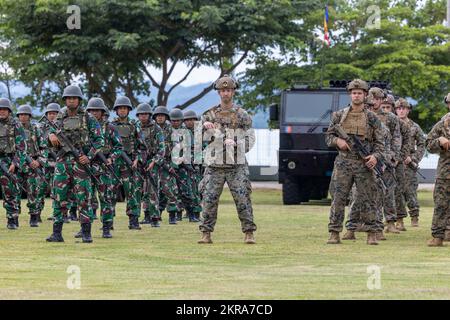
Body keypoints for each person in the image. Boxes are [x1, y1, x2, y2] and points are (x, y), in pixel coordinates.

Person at [198, 74, 256, 244]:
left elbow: (250, 139)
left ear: (233, 92)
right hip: (214, 165)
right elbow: (200, 139)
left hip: (236, 165)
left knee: (243, 198)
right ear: (218, 92)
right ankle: (206, 233)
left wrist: (236, 142)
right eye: (223, 90)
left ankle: (249, 232)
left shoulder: (242, 115)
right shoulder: (208, 115)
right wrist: (206, 130)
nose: (225, 93)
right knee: (209, 199)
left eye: (228, 90)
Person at [325, 79, 385, 245]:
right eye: (353, 93)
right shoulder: (339, 115)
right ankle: (334, 232)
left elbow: (381, 143)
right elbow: (328, 136)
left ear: (365, 95)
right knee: (338, 198)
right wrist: (338, 142)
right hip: (343, 163)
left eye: (359, 93)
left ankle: (371, 232)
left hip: (364, 164)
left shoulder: (372, 118)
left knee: (369, 198)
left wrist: (375, 157)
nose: (356, 95)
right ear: (350, 94)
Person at [46, 85, 104, 243]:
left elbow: (100, 141)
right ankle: (57, 233)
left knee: (83, 197)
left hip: (80, 163)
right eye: (68, 98)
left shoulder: (88, 118)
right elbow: (48, 137)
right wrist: (50, 136)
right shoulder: (59, 117)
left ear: (79, 100)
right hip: (62, 162)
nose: (71, 100)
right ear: (65, 100)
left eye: (74, 98)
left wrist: (89, 156)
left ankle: (86, 233)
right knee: (59, 196)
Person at [111, 96, 144, 230]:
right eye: (120, 108)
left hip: (129, 163)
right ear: (116, 110)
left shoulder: (134, 125)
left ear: (129, 110)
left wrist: (137, 159)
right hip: (114, 163)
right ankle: (108, 222)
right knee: (110, 191)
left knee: (132, 191)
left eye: (125, 108)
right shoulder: (111, 125)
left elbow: (142, 146)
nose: (122, 111)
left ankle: (134, 220)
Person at [16, 105, 48, 227]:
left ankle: (34, 217)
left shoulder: (36, 129)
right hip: (18, 164)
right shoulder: (14, 129)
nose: (23, 117)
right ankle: (14, 217)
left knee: (33, 190)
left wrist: (38, 161)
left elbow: (44, 147)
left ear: (29, 116)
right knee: (15, 191)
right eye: (20, 115)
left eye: (25, 114)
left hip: (33, 165)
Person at [395, 98, 426, 227]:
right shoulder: (392, 125)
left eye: (404, 108)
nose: (401, 111)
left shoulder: (414, 127)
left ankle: (414, 216)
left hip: (408, 165)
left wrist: (413, 158)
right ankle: (399, 219)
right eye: (399, 108)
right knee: (396, 192)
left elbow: (421, 144)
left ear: (408, 110)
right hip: (395, 163)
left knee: (410, 191)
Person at [136, 103, 165, 227]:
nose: (143, 116)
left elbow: (162, 148)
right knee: (139, 190)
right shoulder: (135, 127)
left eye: (145, 114)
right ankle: (142, 216)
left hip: (152, 162)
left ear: (149, 115)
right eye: (141, 114)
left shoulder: (156, 128)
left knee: (152, 190)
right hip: (138, 162)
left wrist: (154, 162)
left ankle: (154, 218)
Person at [152, 106, 182, 224]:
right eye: (158, 116)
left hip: (167, 163)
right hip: (154, 163)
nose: (160, 118)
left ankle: (172, 215)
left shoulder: (171, 130)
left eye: (162, 116)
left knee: (169, 189)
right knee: (153, 190)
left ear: (166, 117)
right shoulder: (152, 129)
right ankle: (154, 214)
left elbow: (176, 148)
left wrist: (173, 165)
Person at [0, 98, 27, 229]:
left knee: (10, 191)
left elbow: (22, 147)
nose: (2, 112)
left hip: (9, 161)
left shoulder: (16, 125)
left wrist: (15, 163)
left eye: (4, 109)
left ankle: (12, 219)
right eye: (0, 109)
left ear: (9, 111)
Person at [425, 114, 450, 247]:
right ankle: (438, 237)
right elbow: (428, 145)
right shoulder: (442, 124)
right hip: (445, 173)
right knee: (441, 205)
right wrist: (439, 141)